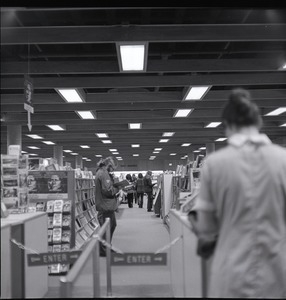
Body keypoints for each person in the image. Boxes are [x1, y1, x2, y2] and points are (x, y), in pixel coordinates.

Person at [193, 88, 286, 298]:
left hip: (231, 273)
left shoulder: (214, 164)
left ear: (229, 125)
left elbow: (207, 228)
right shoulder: (283, 160)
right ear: (258, 122)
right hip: (278, 272)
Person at [94, 156, 119, 257]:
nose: (112, 170)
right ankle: (104, 249)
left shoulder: (100, 172)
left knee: (111, 226)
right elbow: (107, 190)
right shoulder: (104, 174)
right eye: (112, 167)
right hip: (105, 206)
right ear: (108, 165)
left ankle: (106, 247)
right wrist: (117, 188)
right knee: (107, 227)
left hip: (105, 205)